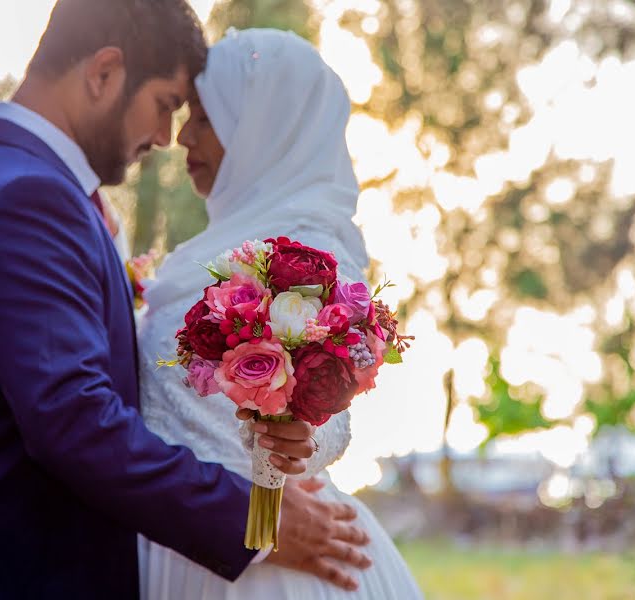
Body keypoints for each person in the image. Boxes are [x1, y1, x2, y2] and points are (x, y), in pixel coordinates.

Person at [0, 4, 370, 598]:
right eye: (164, 104)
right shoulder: (28, 196)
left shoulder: (26, 181)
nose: (165, 137)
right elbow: (74, 421)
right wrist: (257, 524)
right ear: (104, 72)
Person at [136, 28, 425, 599]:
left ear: (262, 129)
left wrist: (301, 441)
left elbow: (335, 398)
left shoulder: (311, 245)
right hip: (187, 536)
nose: (182, 137)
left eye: (203, 118)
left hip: (282, 552)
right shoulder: (201, 252)